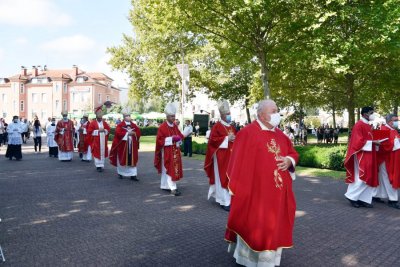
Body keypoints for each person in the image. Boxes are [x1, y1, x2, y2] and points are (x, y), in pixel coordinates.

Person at [225, 99, 298, 266]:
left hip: (277, 194)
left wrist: (289, 160)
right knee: (254, 225)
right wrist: (241, 191)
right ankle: (247, 260)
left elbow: (293, 153)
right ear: (261, 115)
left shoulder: (280, 135)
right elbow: (237, 164)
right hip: (256, 194)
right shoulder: (247, 133)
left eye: (277, 110)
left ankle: (269, 261)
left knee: (273, 226)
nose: (277, 114)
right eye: (273, 111)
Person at [204, 100, 237, 211]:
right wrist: (227, 139)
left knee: (230, 177)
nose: (229, 116)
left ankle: (228, 198)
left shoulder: (231, 127)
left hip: (231, 157)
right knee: (222, 177)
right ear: (222, 115)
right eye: (227, 114)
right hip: (221, 158)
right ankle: (224, 201)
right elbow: (213, 141)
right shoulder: (217, 127)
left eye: (229, 113)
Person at [344, 107, 380, 208]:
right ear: (365, 114)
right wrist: (373, 142)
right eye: (371, 113)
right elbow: (357, 142)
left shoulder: (367, 125)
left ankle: (362, 199)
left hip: (368, 153)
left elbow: (368, 138)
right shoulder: (359, 125)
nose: (373, 114)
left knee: (368, 176)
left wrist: (376, 142)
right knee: (362, 177)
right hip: (361, 154)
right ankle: (351, 196)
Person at [154, 103, 184, 196]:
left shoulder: (175, 126)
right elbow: (160, 140)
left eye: (174, 116)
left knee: (167, 169)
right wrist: (171, 139)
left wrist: (179, 138)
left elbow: (179, 135)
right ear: (167, 116)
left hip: (175, 151)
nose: (173, 118)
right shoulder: (162, 127)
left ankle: (165, 185)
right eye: (171, 116)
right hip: (167, 152)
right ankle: (173, 188)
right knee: (168, 168)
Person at [373, 114, 400, 209]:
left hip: (391, 158)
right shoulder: (383, 129)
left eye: (397, 120)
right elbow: (379, 144)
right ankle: (393, 199)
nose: (397, 122)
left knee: (382, 177)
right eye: (395, 120)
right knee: (389, 178)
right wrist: (396, 142)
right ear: (389, 121)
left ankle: (376, 195)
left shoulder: (393, 130)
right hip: (385, 159)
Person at [110, 110, 141, 180]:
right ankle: (121, 173)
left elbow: (138, 132)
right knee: (122, 158)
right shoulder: (120, 125)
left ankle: (133, 175)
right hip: (123, 145)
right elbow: (118, 133)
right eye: (127, 116)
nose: (129, 117)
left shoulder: (133, 125)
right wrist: (127, 134)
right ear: (124, 117)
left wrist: (135, 133)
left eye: (129, 115)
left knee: (133, 159)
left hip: (132, 145)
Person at [87, 107, 111, 172]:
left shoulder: (104, 123)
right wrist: (98, 131)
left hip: (103, 141)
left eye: (101, 118)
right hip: (96, 141)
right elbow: (89, 132)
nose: (100, 119)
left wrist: (104, 130)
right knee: (97, 153)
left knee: (102, 153)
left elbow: (108, 129)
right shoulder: (93, 123)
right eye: (99, 118)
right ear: (96, 117)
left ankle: (102, 165)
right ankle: (98, 166)